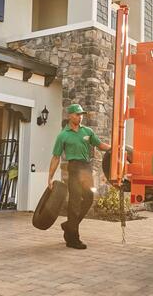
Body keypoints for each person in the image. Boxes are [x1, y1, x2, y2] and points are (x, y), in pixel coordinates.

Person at [48, 104, 110, 249]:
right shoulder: (63, 135)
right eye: (77, 114)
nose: (80, 116)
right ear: (70, 116)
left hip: (86, 168)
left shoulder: (87, 131)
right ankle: (73, 239)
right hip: (74, 168)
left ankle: (69, 225)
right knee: (75, 202)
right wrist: (49, 177)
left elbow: (100, 145)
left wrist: (116, 148)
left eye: (81, 114)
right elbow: (56, 157)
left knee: (88, 199)